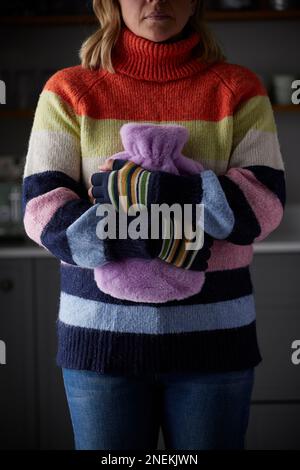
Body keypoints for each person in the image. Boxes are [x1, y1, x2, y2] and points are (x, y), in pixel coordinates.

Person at [21, 0, 286, 450]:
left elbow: (262, 205)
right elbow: (44, 212)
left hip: (214, 343)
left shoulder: (238, 89)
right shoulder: (68, 91)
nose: (157, 1)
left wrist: (125, 197)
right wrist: (191, 211)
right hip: (101, 345)